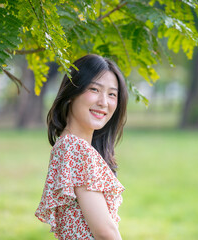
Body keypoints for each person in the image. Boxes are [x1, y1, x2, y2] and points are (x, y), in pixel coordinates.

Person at [35, 54, 128, 240]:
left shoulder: (66, 145)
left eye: (112, 94)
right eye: (94, 89)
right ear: (71, 93)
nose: (103, 102)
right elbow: (105, 232)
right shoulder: (76, 148)